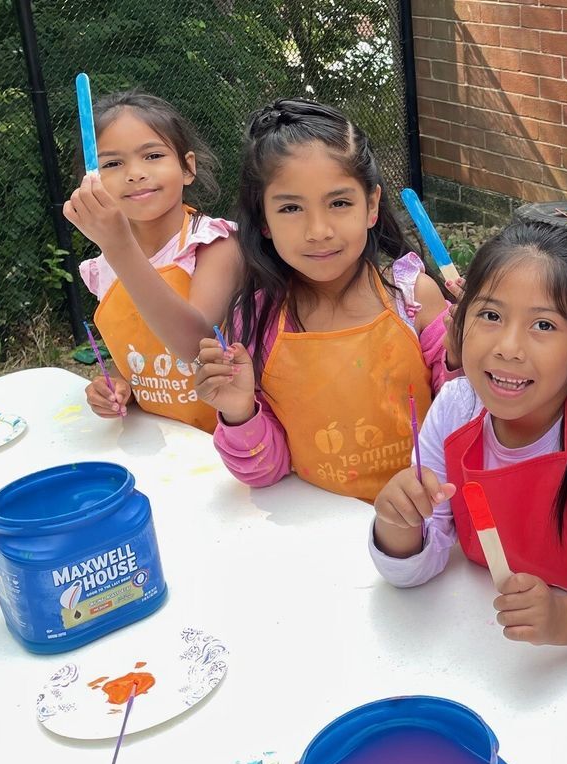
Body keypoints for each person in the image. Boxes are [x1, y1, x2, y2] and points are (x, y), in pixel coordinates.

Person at [372, 221, 567, 656]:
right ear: (459, 324)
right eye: (491, 316)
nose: (510, 348)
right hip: (478, 649)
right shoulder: (455, 409)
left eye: (544, 326)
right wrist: (397, 527)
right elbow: (418, 564)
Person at [193, 98, 452, 500]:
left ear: (371, 206)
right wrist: (239, 410)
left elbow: (465, 420)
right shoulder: (254, 323)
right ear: (263, 220)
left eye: (339, 203)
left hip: (426, 525)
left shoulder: (414, 298)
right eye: (292, 207)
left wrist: (465, 354)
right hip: (320, 530)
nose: (318, 230)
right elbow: (265, 473)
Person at [64, 91, 241, 431]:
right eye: (112, 164)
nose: (134, 173)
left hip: (231, 443)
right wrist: (116, 384)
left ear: (187, 167)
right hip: (160, 442)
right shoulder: (104, 264)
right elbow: (134, 352)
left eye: (153, 155)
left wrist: (119, 248)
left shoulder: (215, 244)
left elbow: (194, 347)